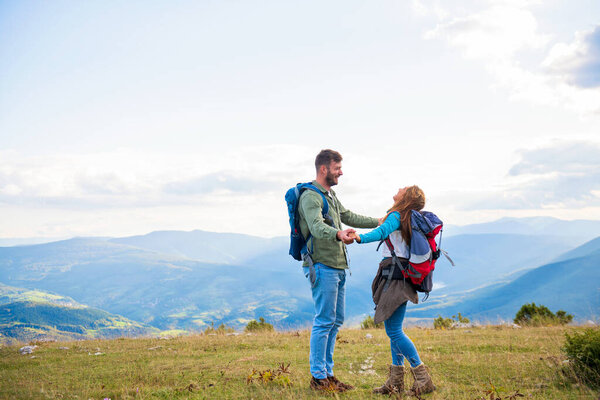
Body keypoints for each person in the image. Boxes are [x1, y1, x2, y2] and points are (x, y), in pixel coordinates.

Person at [298, 149, 380, 392]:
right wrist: (337, 233)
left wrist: (380, 221)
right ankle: (318, 378)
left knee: (336, 321)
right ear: (324, 169)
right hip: (322, 267)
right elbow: (315, 226)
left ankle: (328, 374)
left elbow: (348, 216)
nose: (341, 172)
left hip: (338, 266)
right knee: (324, 321)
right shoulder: (310, 197)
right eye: (337, 168)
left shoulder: (330, 196)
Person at [351, 185, 436, 396]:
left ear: (405, 197)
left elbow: (382, 232)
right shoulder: (408, 217)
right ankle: (396, 381)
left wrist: (359, 238)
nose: (398, 188)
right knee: (393, 329)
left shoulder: (397, 215)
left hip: (395, 277)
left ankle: (422, 377)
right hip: (403, 276)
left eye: (403, 188)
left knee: (394, 331)